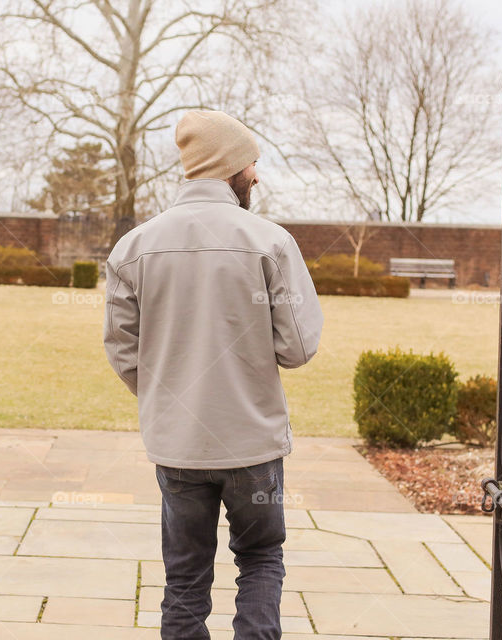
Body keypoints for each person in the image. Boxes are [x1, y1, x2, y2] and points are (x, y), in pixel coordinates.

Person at [103, 110, 323, 640]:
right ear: (230, 167)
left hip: (177, 446)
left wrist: (167, 392)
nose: (256, 175)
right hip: (252, 444)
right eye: (252, 163)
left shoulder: (133, 247)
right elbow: (296, 347)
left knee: (183, 577)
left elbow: (122, 350)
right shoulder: (269, 242)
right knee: (262, 559)